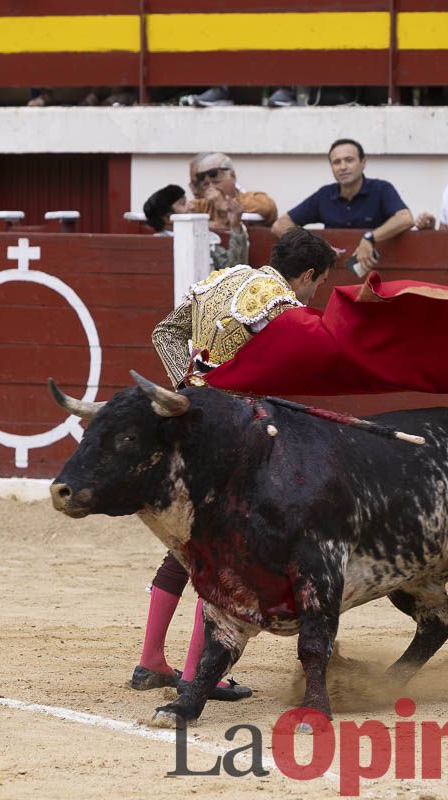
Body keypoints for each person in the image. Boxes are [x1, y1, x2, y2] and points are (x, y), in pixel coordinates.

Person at [134, 228, 337, 699]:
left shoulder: (222, 279)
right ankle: (196, 673)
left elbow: (164, 332)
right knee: (219, 551)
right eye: (319, 282)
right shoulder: (285, 307)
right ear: (306, 274)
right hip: (231, 438)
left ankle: (150, 661)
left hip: (189, 423)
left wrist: (187, 389)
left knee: (186, 544)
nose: (315, 292)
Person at [272, 138, 414, 275]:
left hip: (379, 278)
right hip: (331, 281)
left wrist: (369, 238)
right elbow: (280, 225)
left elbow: (405, 218)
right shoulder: (324, 195)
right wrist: (317, 247)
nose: (343, 167)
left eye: (349, 160)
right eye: (336, 162)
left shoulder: (381, 190)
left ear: (363, 163)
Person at [142, 184, 248, 270]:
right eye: (183, 204)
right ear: (167, 217)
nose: (192, 206)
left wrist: (235, 225)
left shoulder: (203, 238)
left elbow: (232, 269)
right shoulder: (158, 247)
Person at [186, 153, 278, 229]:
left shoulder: (253, 199)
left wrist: (225, 205)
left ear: (233, 177)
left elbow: (268, 208)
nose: (211, 188)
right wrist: (214, 225)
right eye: (206, 184)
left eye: (216, 182)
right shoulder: (202, 205)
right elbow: (177, 217)